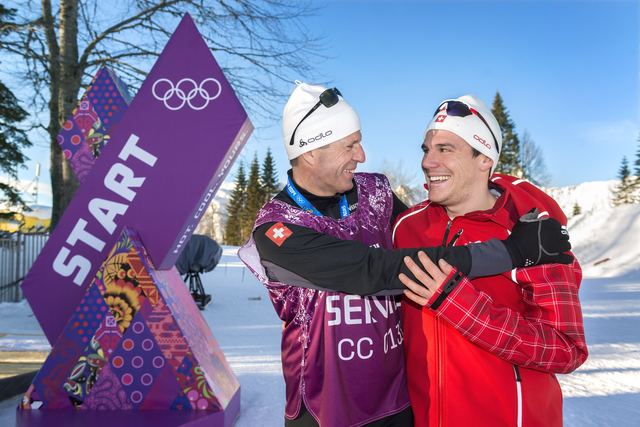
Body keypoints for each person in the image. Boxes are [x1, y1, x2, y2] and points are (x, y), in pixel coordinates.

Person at [238, 83, 571, 427]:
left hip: (398, 402)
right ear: (311, 151)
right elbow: (374, 269)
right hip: (326, 408)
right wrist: (510, 252)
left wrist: (509, 195)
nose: (361, 155)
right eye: (350, 145)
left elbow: (435, 226)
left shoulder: (375, 193)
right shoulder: (277, 230)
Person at [393, 95, 588, 427]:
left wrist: (459, 304)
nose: (428, 162)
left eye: (445, 149)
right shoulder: (406, 228)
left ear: (484, 159)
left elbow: (566, 348)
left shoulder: (533, 232)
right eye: (426, 149)